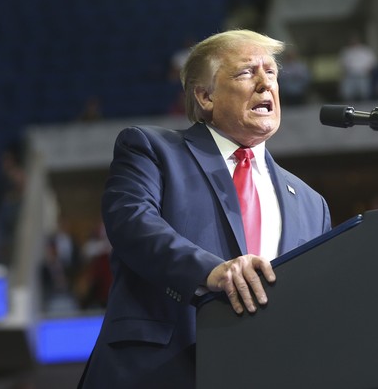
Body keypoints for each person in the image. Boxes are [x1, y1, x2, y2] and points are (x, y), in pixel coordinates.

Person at [78, 29, 331, 389]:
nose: (265, 84)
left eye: (271, 72)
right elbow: (132, 225)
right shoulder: (152, 150)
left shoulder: (310, 203)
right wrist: (212, 271)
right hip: (158, 372)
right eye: (246, 72)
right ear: (205, 95)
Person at [338, 33, 378, 102]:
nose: (353, 41)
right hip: (350, 75)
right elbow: (341, 64)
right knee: (348, 94)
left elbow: (373, 62)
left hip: (363, 75)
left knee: (364, 93)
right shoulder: (346, 52)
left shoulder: (365, 50)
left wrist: (368, 70)